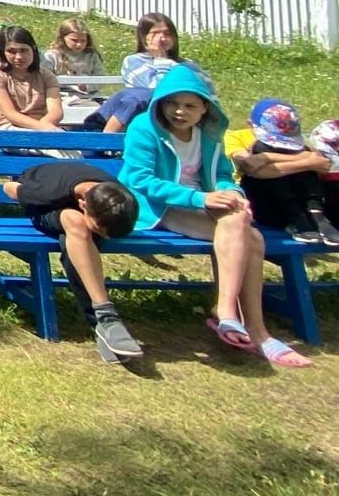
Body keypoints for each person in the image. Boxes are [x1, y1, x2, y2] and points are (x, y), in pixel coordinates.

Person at [120, 67, 309, 366]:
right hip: (158, 208)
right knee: (251, 237)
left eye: (190, 105)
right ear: (160, 103)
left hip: (203, 205)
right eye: (172, 103)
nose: (179, 111)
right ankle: (242, 322)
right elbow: (138, 179)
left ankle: (237, 320)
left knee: (248, 230)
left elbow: (222, 175)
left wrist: (233, 194)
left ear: (205, 107)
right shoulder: (145, 127)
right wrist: (201, 198)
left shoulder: (209, 134)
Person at [0, 161, 144, 363]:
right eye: (100, 231)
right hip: (44, 208)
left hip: (83, 211)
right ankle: (106, 315)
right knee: (75, 221)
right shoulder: (49, 191)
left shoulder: (118, 197)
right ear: (83, 203)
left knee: (75, 242)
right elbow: (9, 188)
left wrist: (98, 230)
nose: (106, 239)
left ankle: (101, 323)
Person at [226, 100, 339, 246]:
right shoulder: (236, 137)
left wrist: (302, 160)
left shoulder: (299, 145)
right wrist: (306, 161)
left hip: (297, 198)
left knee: (301, 165)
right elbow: (251, 166)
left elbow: (322, 164)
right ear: (250, 124)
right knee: (263, 149)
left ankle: (315, 212)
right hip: (262, 200)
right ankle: (295, 217)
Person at [0, 26, 65, 132]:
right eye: (11, 51)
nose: (18, 57)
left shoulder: (46, 75)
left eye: (24, 50)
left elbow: (56, 110)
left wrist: (46, 124)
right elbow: (10, 114)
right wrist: (43, 128)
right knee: (50, 147)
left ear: (33, 50)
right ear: (3, 52)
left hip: (44, 127)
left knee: (71, 147)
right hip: (7, 128)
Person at [42, 18, 104, 99]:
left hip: (90, 95)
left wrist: (88, 86)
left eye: (83, 41)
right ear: (63, 38)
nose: (79, 44)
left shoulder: (91, 55)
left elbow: (99, 76)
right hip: (63, 95)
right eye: (74, 40)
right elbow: (44, 79)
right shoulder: (52, 56)